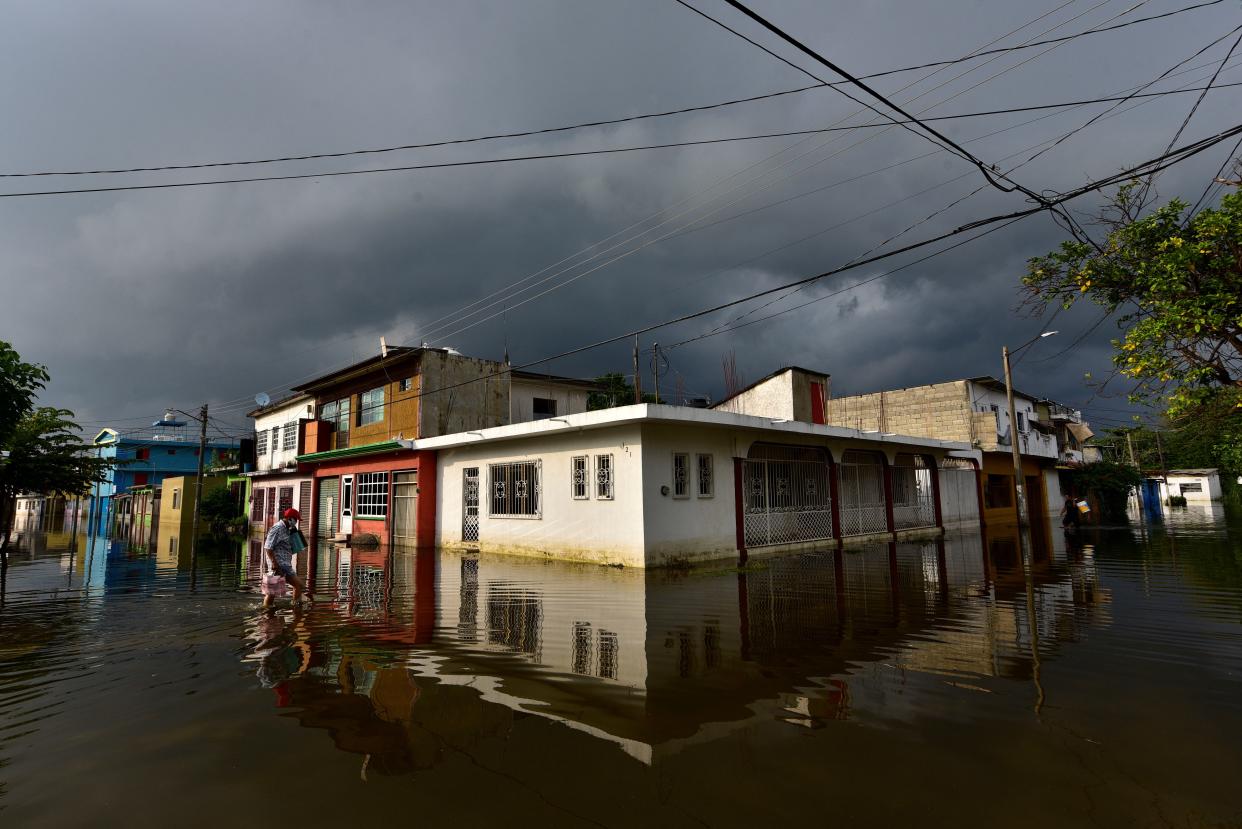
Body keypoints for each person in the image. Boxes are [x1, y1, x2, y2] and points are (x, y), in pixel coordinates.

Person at [263, 508, 313, 607]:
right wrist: (274, 564)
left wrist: (295, 535)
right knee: (272, 593)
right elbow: (268, 548)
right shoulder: (277, 528)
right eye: (296, 520)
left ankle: (295, 607)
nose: (296, 522)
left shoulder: (286, 529)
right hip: (278, 565)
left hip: (285, 565)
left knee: (298, 586)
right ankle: (266, 611)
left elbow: (291, 546)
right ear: (289, 518)